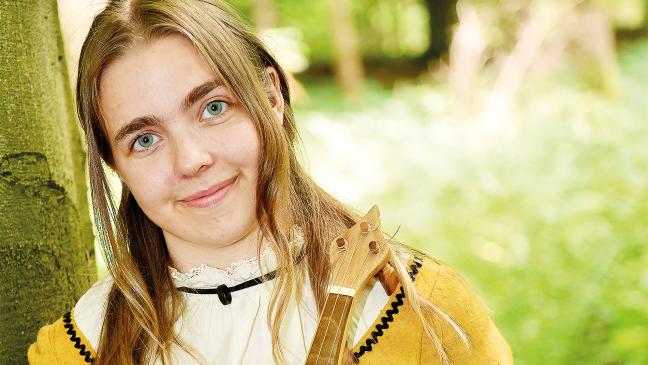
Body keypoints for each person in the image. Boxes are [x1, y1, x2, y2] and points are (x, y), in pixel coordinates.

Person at [28, 1, 513, 364]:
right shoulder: (77, 349)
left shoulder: (422, 314)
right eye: (145, 139)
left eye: (213, 108)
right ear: (115, 163)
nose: (193, 159)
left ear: (271, 98)